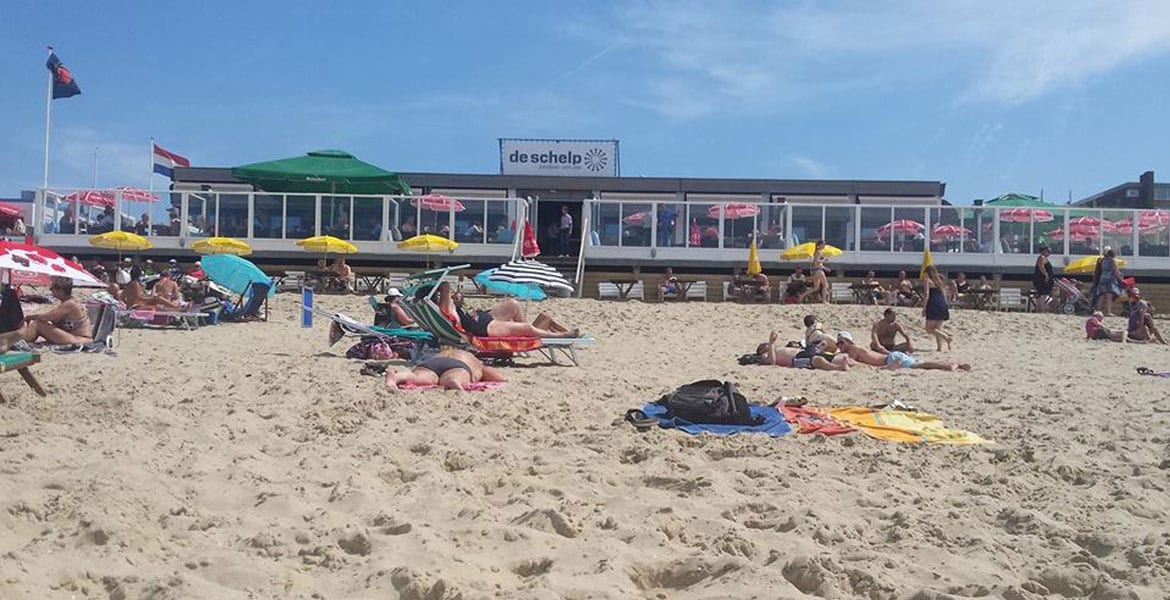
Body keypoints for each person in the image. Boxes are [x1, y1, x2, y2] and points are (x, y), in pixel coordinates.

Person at [433, 281, 580, 339]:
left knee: (513, 303)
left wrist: (459, 300)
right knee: (527, 327)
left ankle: (527, 337)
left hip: (486, 316)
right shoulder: (446, 309)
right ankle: (559, 335)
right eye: (440, 294)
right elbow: (445, 286)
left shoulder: (451, 305)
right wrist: (442, 288)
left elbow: (448, 291)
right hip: (486, 327)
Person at [0, 278, 92, 350]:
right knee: (38, 324)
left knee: (38, 324)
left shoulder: (70, 304)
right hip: (74, 337)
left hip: (80, 339)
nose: (51, 292)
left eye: (52, 289)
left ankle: (17, 340)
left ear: (59, 290)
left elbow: (45, 317)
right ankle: (16, 338)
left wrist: (29, 317)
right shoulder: (68, 302)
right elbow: (53, 319)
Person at [836, 331, 970, 372]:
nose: (840, 346)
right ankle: (955, 364)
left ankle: (951, 365)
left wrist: (883, 368)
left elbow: (851, 362)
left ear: (849, 342)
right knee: (921, 363)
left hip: (891, 360)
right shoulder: (855, 348)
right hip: (891, 358)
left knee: (921, 365)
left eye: (842, 342)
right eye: (838, 343)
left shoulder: (853, 349)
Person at [385, 348, 507, 391]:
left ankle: (397, 376)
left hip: (431, 363)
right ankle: (452, 380)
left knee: (419, 377)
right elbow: (499, 379)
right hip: (458, 365)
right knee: (455, 376)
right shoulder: (474, 360)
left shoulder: (444, 352)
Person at [746, 331, 852, 370]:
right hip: (796, 359)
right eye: (766, 345)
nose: (767, 345)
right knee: (817, 360)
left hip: (803, 352)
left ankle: (861, 365)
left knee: (831, 357)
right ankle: (838, 368)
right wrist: (771, 343)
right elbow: (772, 362)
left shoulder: (775, 349)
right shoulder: (766, 355)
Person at [921, 265, 953, 351]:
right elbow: (944, 294)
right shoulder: (939, 281)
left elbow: (926, 294)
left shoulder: (927, 280)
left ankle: (946, 337)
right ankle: (939, 348)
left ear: (927, 272)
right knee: (937, 329)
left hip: (933, 304)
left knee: (928, 329)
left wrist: (924, 308)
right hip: (942, 304)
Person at [1091, 247, 1125, 316]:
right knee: (1109, 296)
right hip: (1110, 280)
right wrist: (1121, 280)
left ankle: (1098, 310)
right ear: (1113, 255)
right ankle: (1108, 312)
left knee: (1102, 295)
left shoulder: (1103, 260)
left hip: (1102, 279)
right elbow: (1116, 273)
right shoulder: (1112, 261)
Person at [1032, 246, 1055, 312]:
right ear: (1043, 251)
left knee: (1041, 294)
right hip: (1042, 280)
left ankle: (1039, 310)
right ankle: (1041, 309)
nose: (1049, 253)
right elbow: (1041, 266)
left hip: (1042, 280)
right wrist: (1046, 275)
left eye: (1050, 252)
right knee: (1043, 294)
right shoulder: (1042, 257)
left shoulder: (1043, 258)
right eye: (1048, 251)